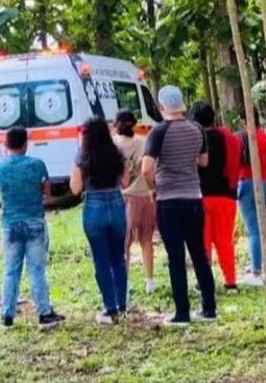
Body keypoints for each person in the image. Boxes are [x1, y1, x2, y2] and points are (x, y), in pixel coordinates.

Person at [142, 86, 217, 327]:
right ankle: (209, 308)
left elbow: (146, 168)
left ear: (162, 106)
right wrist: (186, 159)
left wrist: (152, 188)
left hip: (169, 200)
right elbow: (204, 161)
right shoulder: (196, 129)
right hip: (194, 197)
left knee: (176, 257)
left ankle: (182, 312)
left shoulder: (158, 132)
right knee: (199, 254)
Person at [0, 126, 65, 329]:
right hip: (34, 221)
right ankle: (44, 312)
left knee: (10, 270)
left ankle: (7, 315)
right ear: (26, 144)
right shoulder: (37, 165)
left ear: (6, 145)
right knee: (37, 269)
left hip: (10, 224)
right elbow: (46, 191)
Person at [70, 116, 131, 325]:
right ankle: (122, 305)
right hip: (116, 203)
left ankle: (110, 307)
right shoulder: (117, 153)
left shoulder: (82, 155)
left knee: (101, 261)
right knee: (118, 259)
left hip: (94, 207)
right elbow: (125, 181)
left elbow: (75, 188)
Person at [189, 102, 241, 292]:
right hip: (226, 196)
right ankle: (230, 281)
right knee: (225, 240)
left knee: (202, 241)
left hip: (200, 196)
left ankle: (203, 282)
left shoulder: (194, 139)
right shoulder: (227, 137)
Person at [112, 109, 157, 295]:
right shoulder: (144, 141)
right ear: (135, 123)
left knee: (124, 243)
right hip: (145, 196)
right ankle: (150, 281)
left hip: (123, 197)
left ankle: (125, 281)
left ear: (116, 125)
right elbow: (150, 167)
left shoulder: (113, 144)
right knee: (146, 240)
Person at [236, 115, 266, 286]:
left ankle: (256, 271)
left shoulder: (238, 139)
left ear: (243, 121)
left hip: (246, 185)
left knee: (254, 231)